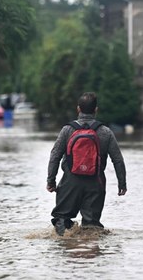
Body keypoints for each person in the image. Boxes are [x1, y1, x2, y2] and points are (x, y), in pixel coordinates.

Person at [46, 92, 127, 235]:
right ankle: (91, 254)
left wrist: (51, 181)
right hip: (95, 183)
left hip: (70, 182)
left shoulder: (67, 130)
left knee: (61, 220)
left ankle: (65, 251)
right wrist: (122, 184)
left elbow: (55, 156)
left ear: (78, 109)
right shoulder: (105, 132)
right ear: (96, 110)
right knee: (92, 228)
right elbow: (118, 160)